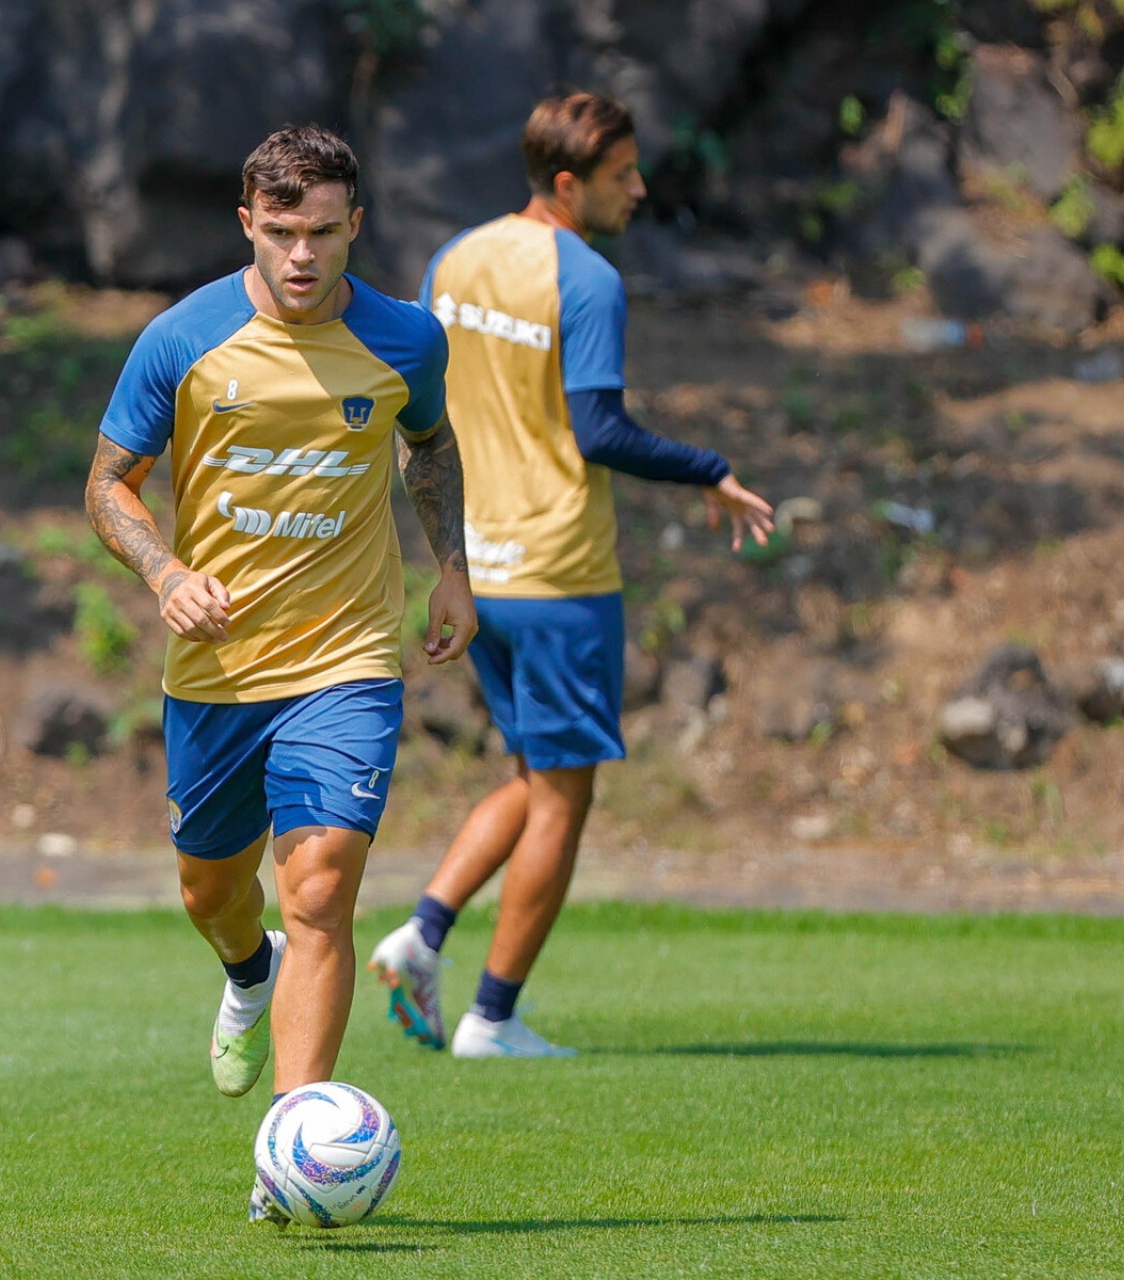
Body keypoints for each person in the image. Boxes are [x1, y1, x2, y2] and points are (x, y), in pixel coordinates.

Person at [84, 125, 475, 1220]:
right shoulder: (182, 338)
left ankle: (293, 1154)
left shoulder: (406, 338)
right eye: (282, 231)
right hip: (216, 667)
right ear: (247, 224)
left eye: (325, 232)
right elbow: (108, 484)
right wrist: (165, 571)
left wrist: (452, 568)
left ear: (357, 226)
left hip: (348, 658)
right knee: (212, 890)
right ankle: (244, 969)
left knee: (322, 886)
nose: (303, 255)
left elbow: (431, 445)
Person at [367, 92, 774, 1059]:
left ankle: (421, 935)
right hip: (556, 572)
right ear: (567, 182)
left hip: (476, 570)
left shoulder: (453, 258)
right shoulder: (587, 279)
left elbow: (415, 399)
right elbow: (598, 432)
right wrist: (709, 469)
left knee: (533, 773)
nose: (640, 189)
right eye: (621, 175)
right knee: (565, 794)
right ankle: (492, 1019)